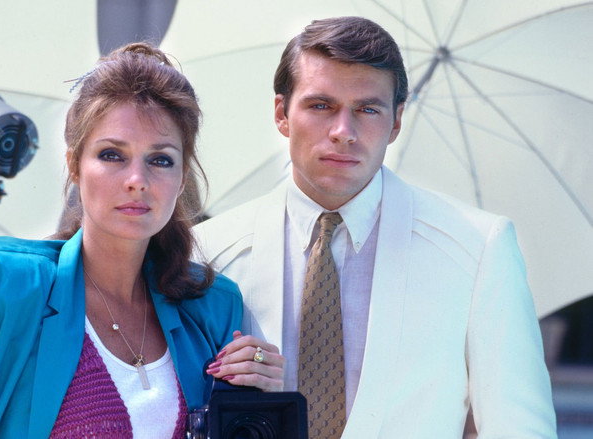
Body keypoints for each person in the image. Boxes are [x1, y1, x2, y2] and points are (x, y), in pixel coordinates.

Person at [0, 43, 283, 439]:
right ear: (75, 166)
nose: (137, 180)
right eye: (112, 155)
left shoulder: (211, 305)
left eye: (160, 159)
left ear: (182, 177)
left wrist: (261, 401)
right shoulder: (4, 283)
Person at [195, 17, 556, 438]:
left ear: (396, 121)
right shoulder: (208, 252)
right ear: (282, 114)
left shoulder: (478, 248)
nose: (343, 132)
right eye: (321, 106)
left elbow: (518, 427)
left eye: (367, 109)